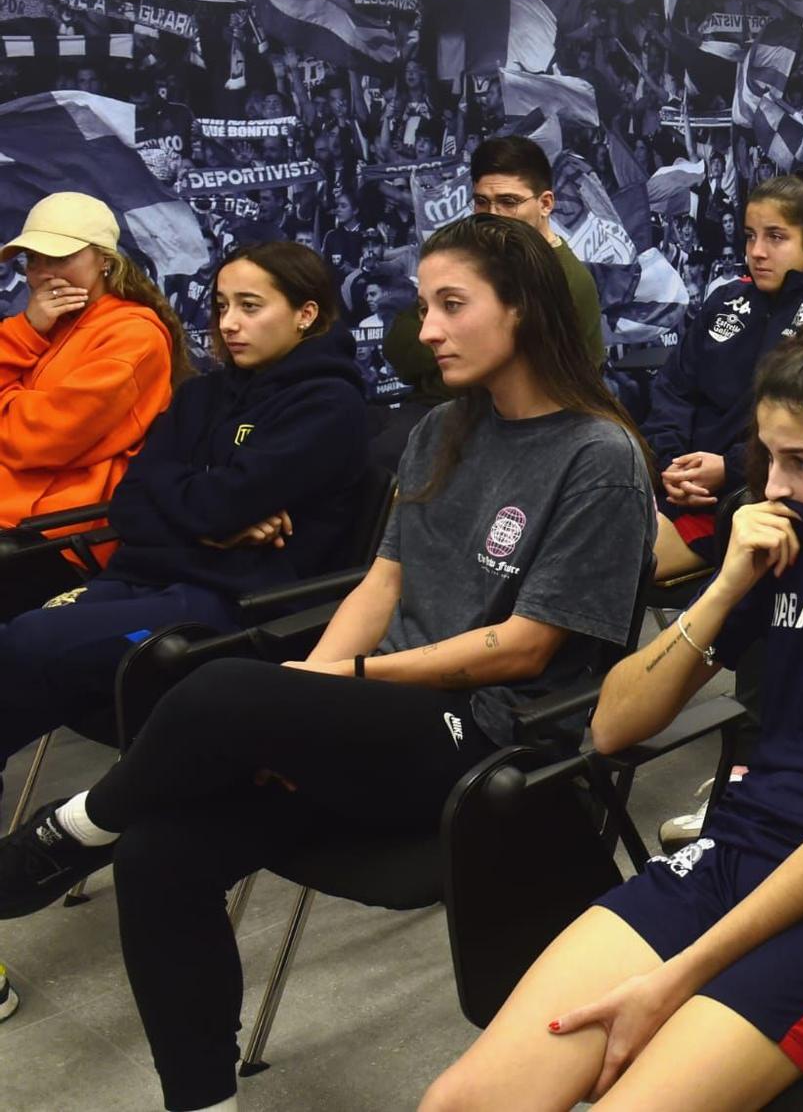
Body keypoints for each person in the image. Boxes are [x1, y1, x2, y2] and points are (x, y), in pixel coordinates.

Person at [0, 214, 657, 1112]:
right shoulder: (441, 432)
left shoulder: (598, 456)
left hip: (494, 737)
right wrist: (308, 699)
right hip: (384, 724)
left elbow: (525, 646)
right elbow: (382, 585)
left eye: (451, 305)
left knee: (220, 686)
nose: (425, 330)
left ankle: (72, 832)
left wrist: (330, 691)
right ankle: (202, 1099)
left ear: (523, 311)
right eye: (423, 305)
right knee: (159, 853)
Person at [422, 308, 803, 1111]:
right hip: (732, 853)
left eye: (802, 462)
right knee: (460, 1102)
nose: (774, 488)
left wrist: (678, 979)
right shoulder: (781, 545)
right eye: (768, 457)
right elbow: (612, 726)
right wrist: (727, 585)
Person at [0, 241, 369, 770]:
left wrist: (192, 500)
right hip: (143, 579)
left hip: (233, 607)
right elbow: (129, 505)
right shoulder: (201, 395)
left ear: (305, 314)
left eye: (250, 306)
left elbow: (209, 505)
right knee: (20, 651)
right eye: (221, 306)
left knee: (30, 641)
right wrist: (208, 510)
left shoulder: (330, 403)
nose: (229, 324)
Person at [645, 171, 803, 579]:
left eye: (775, 237)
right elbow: (673, 389)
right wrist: (669, 463)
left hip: (755, 498)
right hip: (677, 485)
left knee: (608, 568)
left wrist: (729, 469)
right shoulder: (725, 301)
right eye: (750, 236)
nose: (757, 252)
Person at [1, 193, 192, 551]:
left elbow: (37, 441)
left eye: (60, 258)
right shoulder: (44, 323)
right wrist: (25, 330)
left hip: (52, 535)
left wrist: (13, 399)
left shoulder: (134, 336)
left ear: (105, 260)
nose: (41, 274)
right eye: (33, 260)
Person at [383, 135, 607, 410]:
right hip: (437, 413)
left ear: (546, 204)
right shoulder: (468, 257)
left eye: (508, 201)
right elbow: (398, 347)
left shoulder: (565, 279)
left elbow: (511, 382)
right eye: (481, 202)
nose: (492, 214)